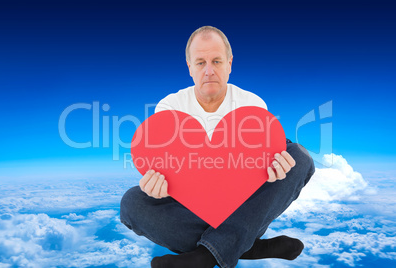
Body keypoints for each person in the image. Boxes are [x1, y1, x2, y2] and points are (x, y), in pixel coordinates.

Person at [120, 26, 315, 268]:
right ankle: (248, 247)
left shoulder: (252, 106)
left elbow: (259, 180)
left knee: (300, 157)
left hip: (245, 205)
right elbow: (174, 176)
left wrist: (278, 168)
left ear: (229, 64)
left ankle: (206, 256)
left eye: (216, 61)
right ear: (189, 67)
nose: (209, 71)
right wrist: (159, 187)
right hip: (193, 208)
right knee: (132, 203)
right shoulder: (169, 109)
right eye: (200, 63)